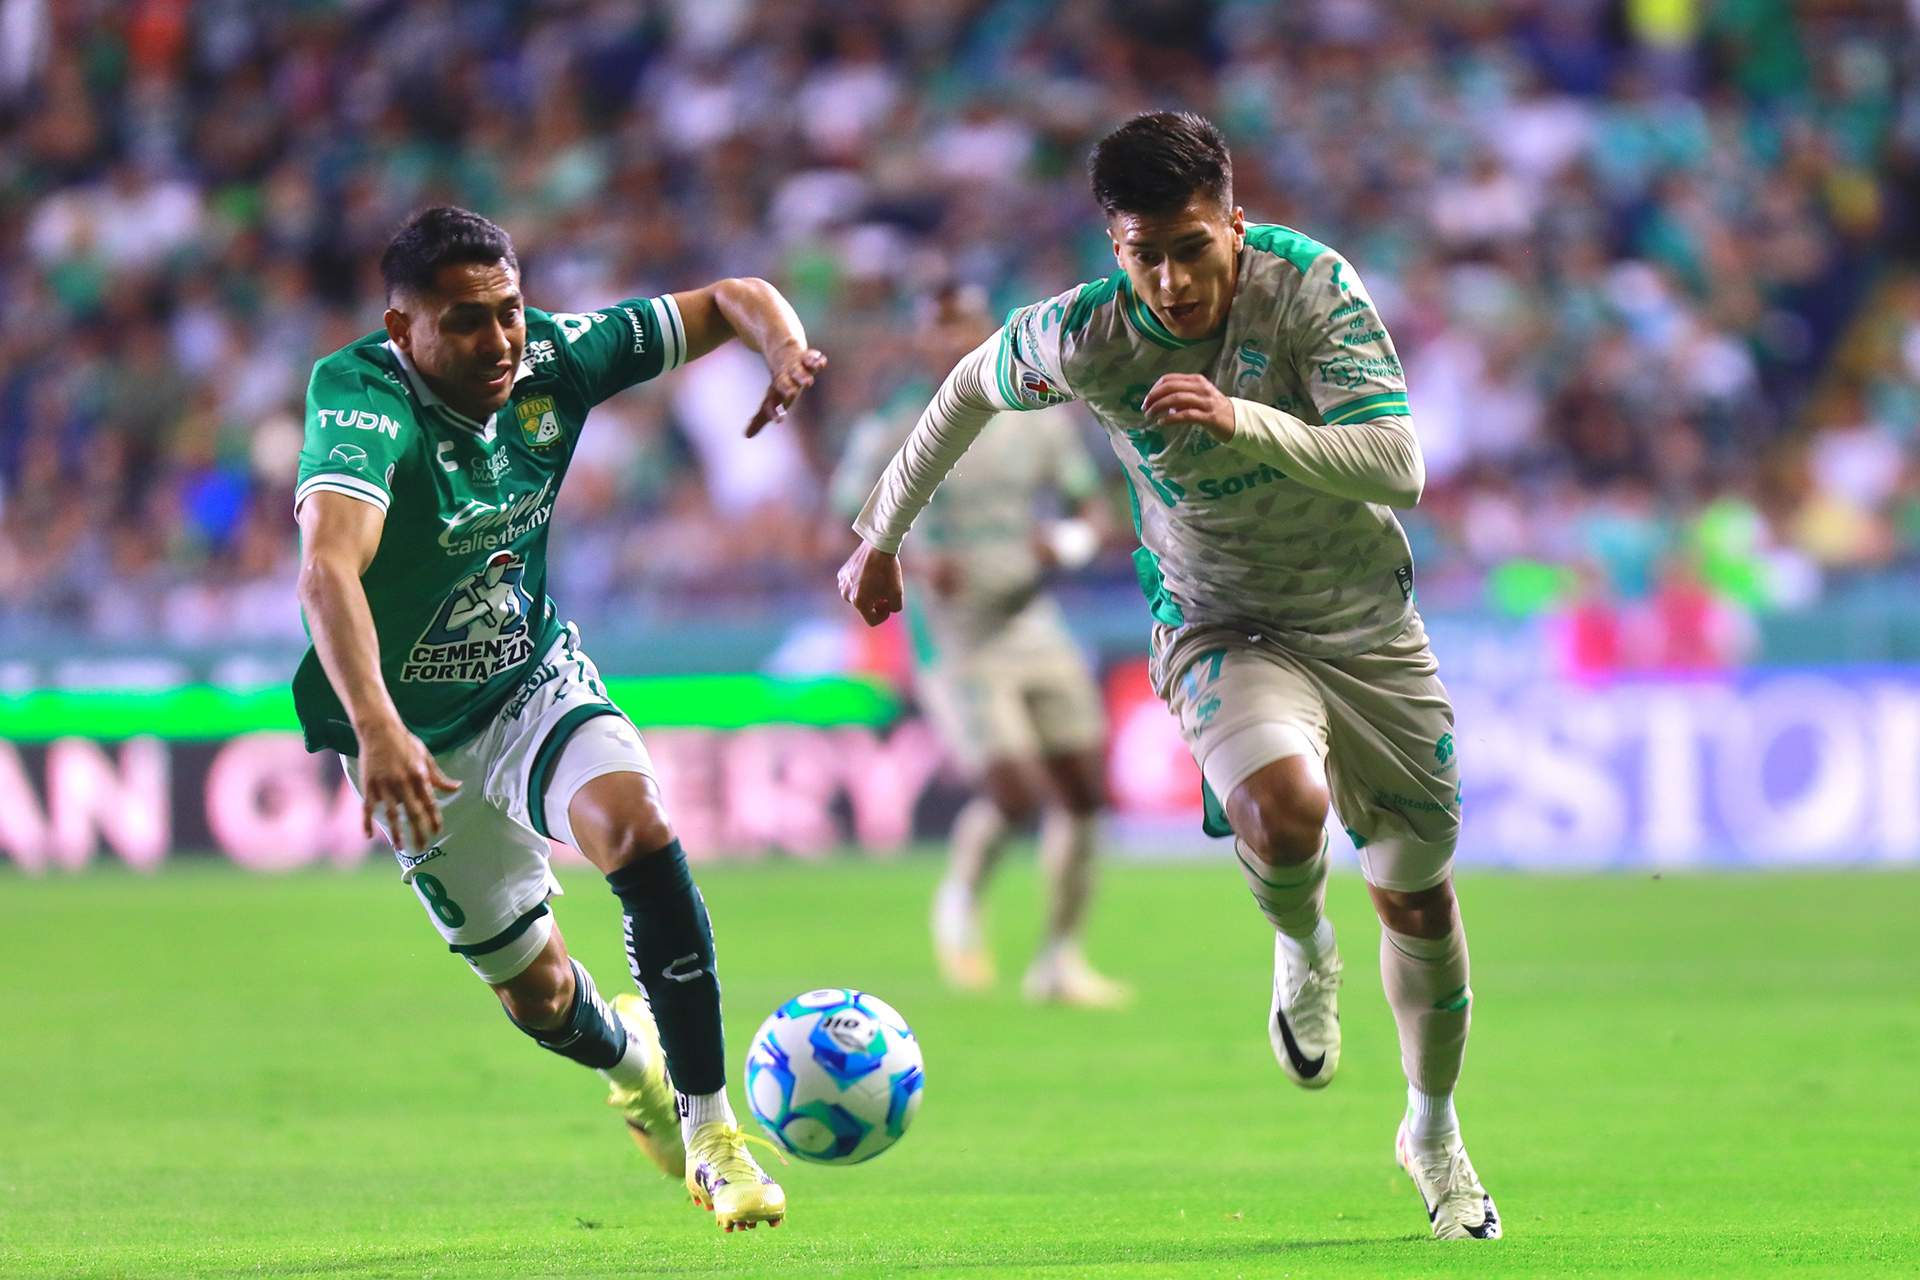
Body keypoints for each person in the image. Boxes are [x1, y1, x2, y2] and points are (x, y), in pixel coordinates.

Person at [836, 114, 1499, 1240]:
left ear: (1234, 220)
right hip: (1218, 620)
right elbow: (960, 393)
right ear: (1115, 245)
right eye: (1146, 253)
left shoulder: (1309, 288)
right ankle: (1303, 946)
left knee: (1419, 896)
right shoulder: (1087, 334)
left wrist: (1243, 417)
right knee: (1280, 810)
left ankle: (1430, 1128)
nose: (1173, 278)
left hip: (1365, 621)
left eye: (1194, 246)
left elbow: (1402, 463)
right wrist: (879, 533)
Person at [294, 206, 821, 1232]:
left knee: (637, 826)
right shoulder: (357, 395)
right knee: (536, 996)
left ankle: (714, 1132)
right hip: (408, 736)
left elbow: (728, 299)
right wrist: (379, 728)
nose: (499, 342)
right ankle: (634, 1067)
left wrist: (784, 342)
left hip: (530, 678)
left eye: (511, 312)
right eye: (466, 322)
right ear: (404, 332)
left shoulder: (554, 355)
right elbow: (326, 567)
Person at [829, 284, 1128, 1006]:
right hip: (956, 635)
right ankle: (960, 896)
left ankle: (1059, 958)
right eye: (935, 327)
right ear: (919, 340)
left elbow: (1098, 509)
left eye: (960, 323)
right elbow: (841, 525)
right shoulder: (894, 429)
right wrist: (913, 562)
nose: (948, 339)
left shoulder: (1038, 424)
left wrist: (1067, 541)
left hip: (1031, 616)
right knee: (1016, 792)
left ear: (989, 329)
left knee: (1086, 790)